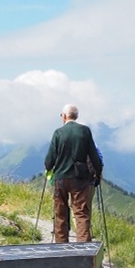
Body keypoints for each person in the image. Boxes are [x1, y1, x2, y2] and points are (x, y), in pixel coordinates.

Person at [44, 104, 103, 243]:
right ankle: (83, 250)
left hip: (61, 178)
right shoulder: (85, 131)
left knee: (61, 213)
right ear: (76, 116)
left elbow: (50, 158)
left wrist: (48, 167)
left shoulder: (58, 133)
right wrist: (98, 173)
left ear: (64, 116)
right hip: (80, 179)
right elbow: (94, 155)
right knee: (81, 213)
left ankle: (61, 248)